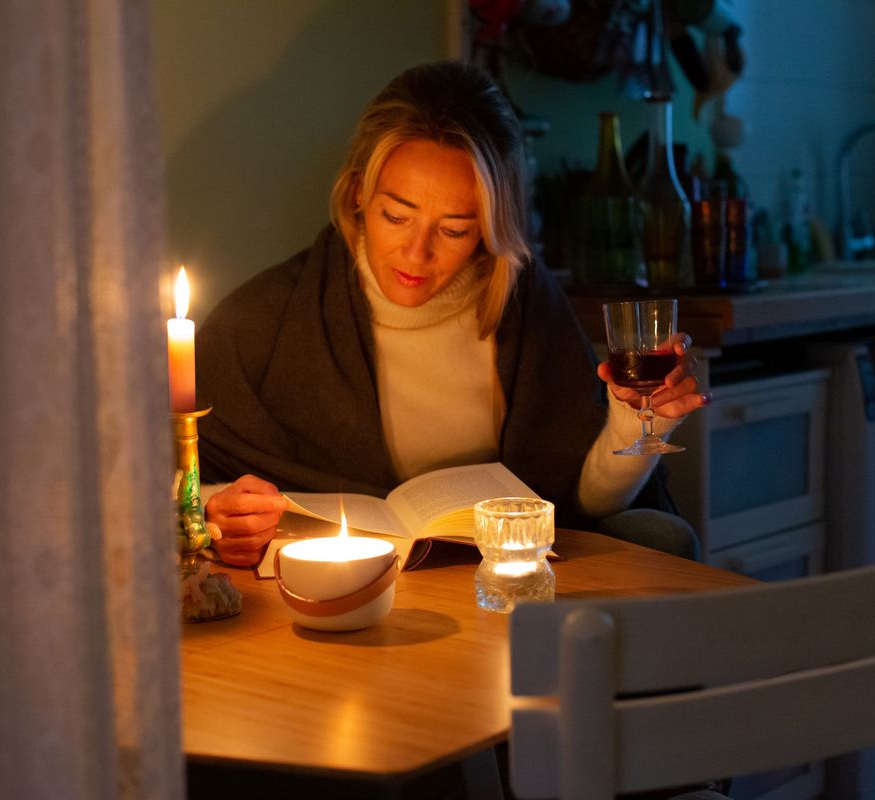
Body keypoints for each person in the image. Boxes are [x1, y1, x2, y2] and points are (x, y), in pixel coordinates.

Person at [197, 60, 709, 567]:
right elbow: (176, 483)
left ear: (489, 226)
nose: (416, 255)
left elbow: (586, 506)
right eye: (397, 216)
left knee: (657, 537)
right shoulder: (264, 318)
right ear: (358, 194)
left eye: (455, 229)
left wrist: (638, 424)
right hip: (344, 578)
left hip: (500, 571)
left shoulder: (523, 300)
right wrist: (220, 514)